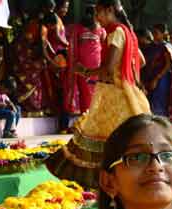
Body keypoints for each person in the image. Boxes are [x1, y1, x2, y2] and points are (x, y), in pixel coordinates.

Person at [45, 0, 148, 188]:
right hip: (130, 93)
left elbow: (107, 70)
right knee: (126, 140)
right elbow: (140, 62)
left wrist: (84, 71)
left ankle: (103, 183)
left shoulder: (116, 32)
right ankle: (126, 182)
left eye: (99, 13)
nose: (98, 19)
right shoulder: (128, 32)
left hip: (113, 95)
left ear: (110, 10)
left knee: (95, 138)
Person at [63, 4, 103, 118]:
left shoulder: (79, 28)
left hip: (86, 66)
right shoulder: (97, 28)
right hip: (91, 65)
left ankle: (88, 117)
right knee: (88, 92)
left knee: (87, 92)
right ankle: (88, 118)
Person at [11, 5, 52, 115]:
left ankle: (28, 109)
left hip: (24, 58)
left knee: (31, 82)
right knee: (34, 82)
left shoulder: (33, 24)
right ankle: (31, 109)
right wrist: (51, 62)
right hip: (27, 58)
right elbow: (43, 49)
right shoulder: (41, 28)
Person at [143, 23, 172, 127]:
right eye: (153, 32)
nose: (154, 35)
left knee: (159, 103)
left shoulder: (166, 47)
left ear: (163, 34)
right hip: (150, 77)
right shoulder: (151, 47)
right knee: (150, 103)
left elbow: (168, 65)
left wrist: (157, 79)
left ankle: (162, 128)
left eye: (156, 33)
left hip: (161, 79)